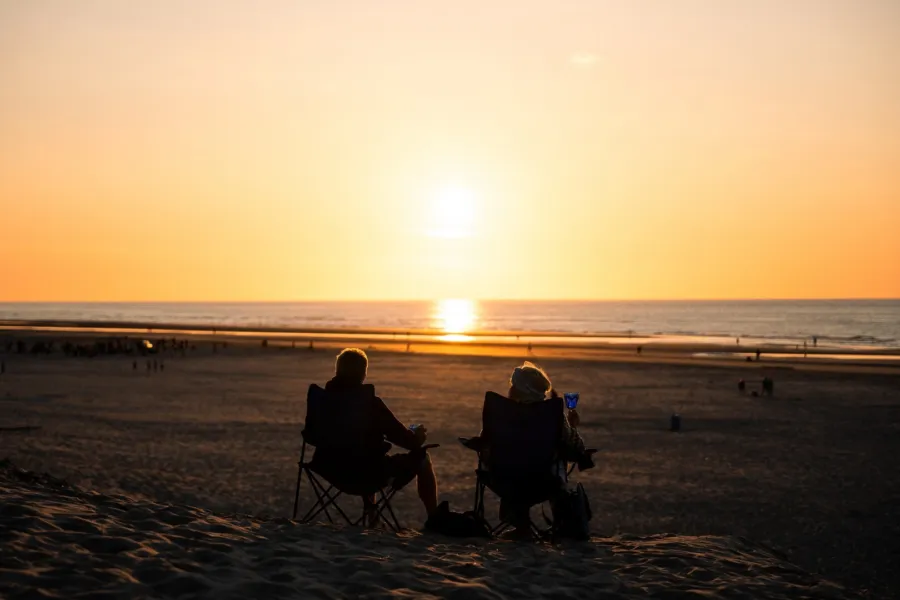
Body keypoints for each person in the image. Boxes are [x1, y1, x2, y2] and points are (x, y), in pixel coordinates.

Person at [313, 348, 439, 521]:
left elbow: (311, 435)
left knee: (365, 449)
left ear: (337, 371)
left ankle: (371, 514)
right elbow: (406, 441)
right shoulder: (370, 404)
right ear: (363, 374)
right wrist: (417, 437)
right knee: (422, 459)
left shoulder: (321, 401)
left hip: (329, 468)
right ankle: (433, 518)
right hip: (365, 474)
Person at [484, 362, 587, 534]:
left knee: (514, 462)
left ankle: (521, 524)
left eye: (513, 385)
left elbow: (486, 439)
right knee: (556, 460)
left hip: (503, 479)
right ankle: (560, 522)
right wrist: (573, 426)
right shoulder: (552, 416)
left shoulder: (501, 414)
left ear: (517, 390)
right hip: (543, 481)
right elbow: (576, 448)